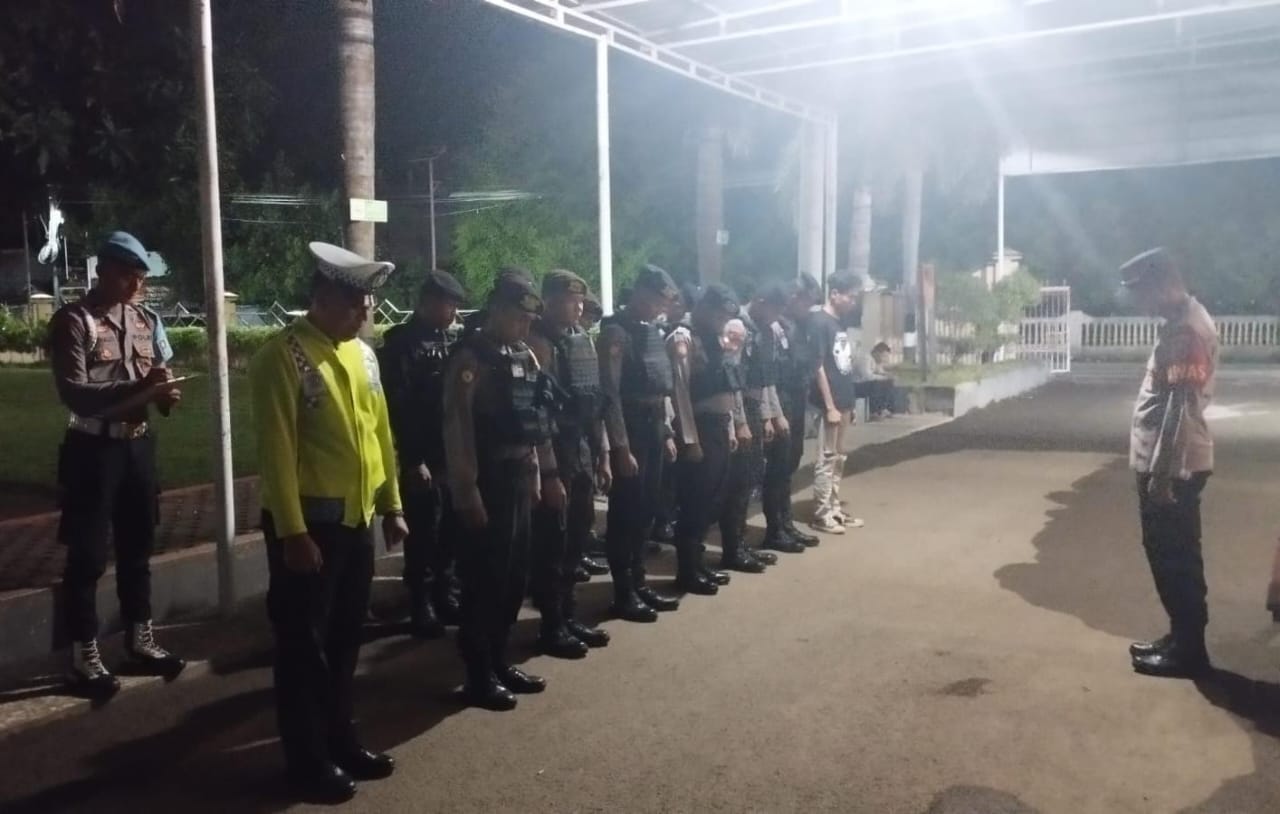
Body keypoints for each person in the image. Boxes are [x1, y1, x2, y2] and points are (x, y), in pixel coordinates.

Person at [250, 241, 409, 803]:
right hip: (309, 530)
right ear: (321, 299)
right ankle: (306, 760)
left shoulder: (363, 355)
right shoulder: (282, 356)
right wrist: (292, 532)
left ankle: (341, 739)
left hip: (355, 521)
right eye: (354, 305)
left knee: (344, 641)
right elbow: (277, 452)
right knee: (304, 649)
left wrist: (392, 505)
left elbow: (380, 432)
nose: (363, 315)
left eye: (366, 306)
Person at [49, 230, 186, 698]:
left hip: (138, 447)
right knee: (87, 555)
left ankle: (139, 638)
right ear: (103, 271)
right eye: (127, 274)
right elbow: (75, 393)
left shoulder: (147, 320)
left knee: (138, 547)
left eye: (140, 276)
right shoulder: (75, 321)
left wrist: (165, 395)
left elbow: (160, 376)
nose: (135, 284)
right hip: (92, 449)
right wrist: (140, 390)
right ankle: (83, 654)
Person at [444, 271, 559, 710]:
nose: (525, 327)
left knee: (513, 576)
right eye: (518, 318)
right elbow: (458, 430)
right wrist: (466, 491)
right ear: (495, 311)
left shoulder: (523, 355)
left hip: (518, 475)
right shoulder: (470, 359)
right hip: (487, 479)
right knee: (484, 579)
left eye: (529, 320)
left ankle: (499, 659)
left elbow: (536, 422)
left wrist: (538, 475)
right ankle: (478, 672)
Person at [1121, 248, 1219, 679]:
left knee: (1175, 559)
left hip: (1173, 467)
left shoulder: (1185, 332)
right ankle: (1181, 638)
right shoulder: (1182, 323)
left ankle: (1189, 651)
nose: (1137, 304)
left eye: (1139, 294)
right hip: (1170, 464)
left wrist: (1163, 476)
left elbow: (1179, 410)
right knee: (1168, 555)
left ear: (1160, 286)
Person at [526, 270, 613, 659]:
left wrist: (603, 453)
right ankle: (551, 623)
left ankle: (567, 614)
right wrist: (548, 473)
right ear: (549, 301)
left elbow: (593, 401)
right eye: (570, 300)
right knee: (552, 541)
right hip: (554, 450)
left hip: (579, 447)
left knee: (577, 534)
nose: (579, 307)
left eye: (580, 301)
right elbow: (537, 414)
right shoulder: (536, 343)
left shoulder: (579, 340)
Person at [377, 269, 467, 640]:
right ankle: (421, 602)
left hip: (450, 453)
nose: (453, 313)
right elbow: (400, 408)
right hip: (423, 455)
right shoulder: (402, 344)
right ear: (428, 303)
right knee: (424, 532)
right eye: (448, 304)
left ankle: (445, 593)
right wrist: (414, 460)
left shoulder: (453, 341)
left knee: (450, 530)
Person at [598, 265, 680, 622]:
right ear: (640, 294)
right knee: (626, 513)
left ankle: (639, 581)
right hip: (630, 430)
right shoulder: (615, 332)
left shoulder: (650, 332)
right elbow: (610, 394)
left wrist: (667, 432)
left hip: (653, 428)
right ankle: (623, 591)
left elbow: (660, 390)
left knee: (646, 510)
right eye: (656, 301)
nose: (660, 309)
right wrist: (620, 446)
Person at [668, 284, 752, 592]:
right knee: (694, 501)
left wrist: (730, 428)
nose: (722, 322)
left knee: (711, 501)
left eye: (725, 317)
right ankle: (687, 571)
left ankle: (699, 563)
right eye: (718, 316)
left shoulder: (714, 338)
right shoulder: (684, 337)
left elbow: (727, 387)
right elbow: (680, 393)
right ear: (703, 308)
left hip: (718, 427)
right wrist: (690, 440)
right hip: (699, 428)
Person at [737, 282, 805, 557]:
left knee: (779, 469)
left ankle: (781, 526)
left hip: (766, 405)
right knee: (744, 479)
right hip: (744, 409)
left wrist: (773, 413)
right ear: (760, 301)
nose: (778, 316)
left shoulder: (768, 329)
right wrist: (767, 416)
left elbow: (768, 379)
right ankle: (739, 544)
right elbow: (739, 381)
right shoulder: (739, 327)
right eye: (775, 309)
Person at [766, 276, 822, 550]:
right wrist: (774, 412)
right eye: (806, 302)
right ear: (794, 297)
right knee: (778, 467)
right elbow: (771, 372)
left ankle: (786, 524)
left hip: (797, 399)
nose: (808, 308)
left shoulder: (800, 326)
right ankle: (775, 530)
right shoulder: (776, 326)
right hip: (782, 400)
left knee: (790, 463)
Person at [808, 271, 864, 535]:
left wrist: (848, 405)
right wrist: (829, 406)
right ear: (835, 294)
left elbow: (843, 365)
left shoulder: (838, 322)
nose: (853, 302)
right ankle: (821, 514)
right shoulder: (819, 322)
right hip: (829, 403)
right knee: (827, 458)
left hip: (844, 400)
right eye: (850, 296)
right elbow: (818, 367)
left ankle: (834, 507)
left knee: (839, 457)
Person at [855, 341, 896, 419]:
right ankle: (874, 412)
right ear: (877, 353)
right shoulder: (865, 358)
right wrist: (884, 378)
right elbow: (867, 376)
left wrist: (889, 376)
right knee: (876, 384)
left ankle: (885, 408)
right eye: (883, 356)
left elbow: (879, 372)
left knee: (888, 382)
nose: (884, 359)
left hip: (865, 384)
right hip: (856, 385)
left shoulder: (875, 360)